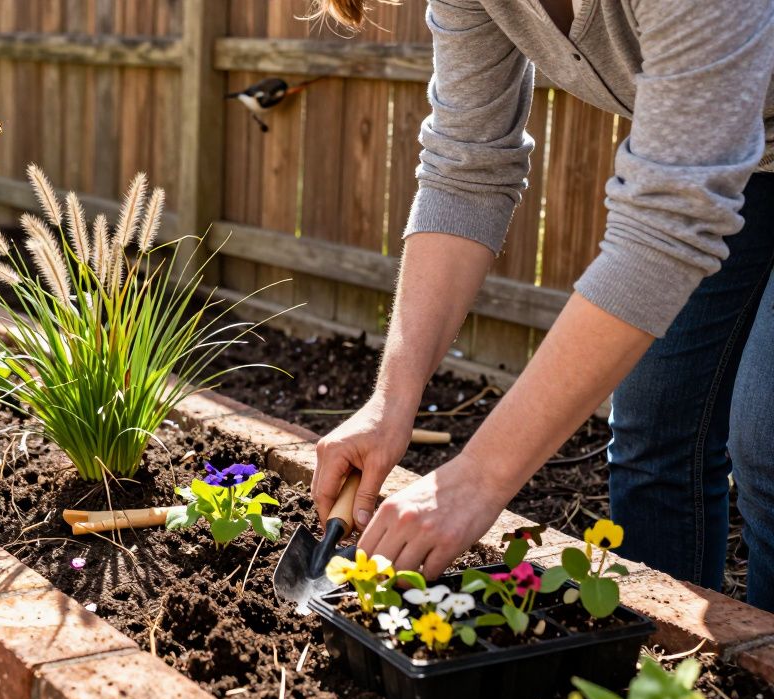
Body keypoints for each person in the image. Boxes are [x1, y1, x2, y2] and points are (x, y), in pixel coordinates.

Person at [306, 0, 774, 611]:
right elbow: (466, 170)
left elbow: (667, 223)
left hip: (703, 169)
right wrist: (390, 401)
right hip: (736, 152)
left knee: (766, 437)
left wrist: (476, 479)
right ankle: (654, 684)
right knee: (656, 424)